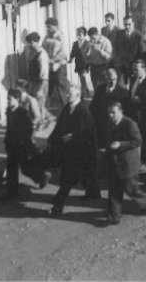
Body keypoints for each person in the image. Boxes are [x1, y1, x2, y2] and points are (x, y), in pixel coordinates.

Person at [47, 84, 101, 217]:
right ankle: (93, 193)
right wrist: (51, 139)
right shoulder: (67, 108)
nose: (66, 96)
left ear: (78, 95)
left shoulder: (83, 111)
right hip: (70, 149)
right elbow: (59, 126)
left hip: (81, 150)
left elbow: (88, 132)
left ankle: (58, 206)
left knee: (68, 178)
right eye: (67, 94)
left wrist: (73, 135)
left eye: (69, 94)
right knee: (84, 173)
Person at [103, 101, 146, 225]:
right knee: (114, 190)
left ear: (121, 112)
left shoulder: (130, 124)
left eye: (113, 112)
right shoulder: (109, 124)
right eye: (109, 112)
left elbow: (138, 141)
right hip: (115, 162)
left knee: (130, 188)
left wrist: (121, 144)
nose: (110, 115)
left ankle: (145, 200)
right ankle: (114, 216)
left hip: (128, 163)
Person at [2, 88, 46, 200]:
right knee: (11, 169)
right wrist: (7, 141)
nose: (8, 101)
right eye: (7, 98)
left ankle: (42, 177)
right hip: (12, 145)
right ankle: (12, 194)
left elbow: (29, 129)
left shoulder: (22, 112)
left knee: (26, 168)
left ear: (17, 99)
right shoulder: (9, 111)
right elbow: (9, 128)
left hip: (22, 145)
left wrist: (23, 142)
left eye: (10, 99)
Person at [90, 69, 131, 148]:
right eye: (110, 79)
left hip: (114, 127)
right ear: (106, 78)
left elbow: (126, 111)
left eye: (115, 79)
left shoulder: (123, 93)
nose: (113, 82)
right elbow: (93, 106)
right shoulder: (100, 89)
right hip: (101, 125)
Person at [24, 32, 53, 126]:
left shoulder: (42, 54)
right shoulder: (32, 53)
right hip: (33, 82)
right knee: (34, 104)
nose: (29, 45)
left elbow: (44, 75)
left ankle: (41, 124)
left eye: (30, 43)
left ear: (35, 42)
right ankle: (47, 118)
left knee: (40, 104)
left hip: (41, 83)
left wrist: (41, 89)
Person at [42, 17, 70, 111]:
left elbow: (63, 53)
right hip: (49, 67)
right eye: (47, 27)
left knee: (61, 89)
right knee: (48, 89)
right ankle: (44, 112)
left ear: (55, 26)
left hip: (59, 66)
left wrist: (53, 60)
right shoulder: (47, 37)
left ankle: (67, 111)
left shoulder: (61, 37)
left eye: (49, 27)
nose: (48, 29)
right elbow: (43, 49)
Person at [111, 16, 143, 83]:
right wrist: (116, 62)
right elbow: (115, 48)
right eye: (125, 24)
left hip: (132, 67)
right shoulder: (119, 34)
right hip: (120, 66)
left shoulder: (139, 36)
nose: (127, 26)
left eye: (129, 24)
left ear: (133, 23)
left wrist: (136, 66)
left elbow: (140, 53)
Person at [69, 27, 94, 100]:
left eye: (80, 35)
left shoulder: (88, 43)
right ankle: (83, 94)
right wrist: (70, 59)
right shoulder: (75, 44)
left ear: (84, 35)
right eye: (77, 35)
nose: (78, 37)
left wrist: (89, 62)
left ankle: (92, 94)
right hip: (79, 64)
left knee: (87, 80)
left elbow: (90, 54)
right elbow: (72, 53)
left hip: (85, 64)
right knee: (82, 80)